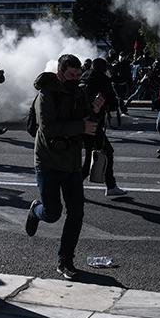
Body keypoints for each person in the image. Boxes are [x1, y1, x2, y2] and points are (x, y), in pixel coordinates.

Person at [24, 54, 101, 279]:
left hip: (72, 162)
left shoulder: (79, 92)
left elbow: (87, 122)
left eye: (78, 75)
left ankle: (65, 260)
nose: (76, 78)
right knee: (52, 213)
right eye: (71, 75)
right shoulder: (46, 94)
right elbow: (47, 128)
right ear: (60, 72)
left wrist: (94, 111)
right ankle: (35, 211)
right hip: (48, 161)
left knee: (76, 212)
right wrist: (81, 125)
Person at [80, 58, 126, 196]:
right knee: (106, 152)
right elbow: (112, 103)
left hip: (81, 122)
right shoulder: (103, 79)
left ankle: (110, 185)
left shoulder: (84, 76)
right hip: (94, 123)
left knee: (90, 155)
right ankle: (110, 186)